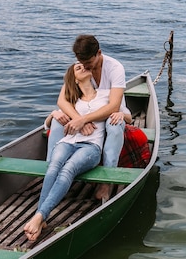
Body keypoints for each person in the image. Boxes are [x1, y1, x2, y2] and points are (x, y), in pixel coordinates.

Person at [24, 62, 108, 242]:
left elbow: (126, 114)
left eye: (84, 65)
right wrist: (54, 114)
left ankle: (39, 216)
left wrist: (119, 115)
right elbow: (48, 122)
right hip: (68, 142)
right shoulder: (72, 101)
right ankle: (41, 218)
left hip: (91, 147)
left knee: (68, 169)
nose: (82, 67)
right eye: (78, 68)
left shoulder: (105, 95)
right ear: (75, 80)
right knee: (54, 166)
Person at [46, 35, 131, 201]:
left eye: (89, 64)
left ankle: (107, 182)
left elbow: (114, 106)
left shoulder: (115, 68)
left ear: (99, 53)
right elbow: (62, 100)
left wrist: (83, 120)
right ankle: (49, 171)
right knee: (58, 119)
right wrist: (78, 119)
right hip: (84, 111)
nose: (85, 68)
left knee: (114, 124)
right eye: (81, 63)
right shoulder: (80, 69)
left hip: (110, 112)